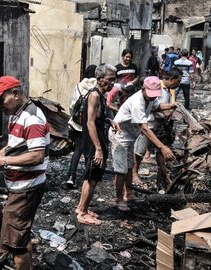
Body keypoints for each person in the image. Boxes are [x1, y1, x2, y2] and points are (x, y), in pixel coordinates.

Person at [0, 75, 49, 270]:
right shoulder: (16, 115)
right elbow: (14, 146)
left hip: (25, 190)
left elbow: (37, 156)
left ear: (16, 93)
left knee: (15, 247)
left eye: (2, 99)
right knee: (20, 237)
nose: (0, 105)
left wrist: (3, 161)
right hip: (20, 187)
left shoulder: (32, 118)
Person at [109, 76, 177, 212]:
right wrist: (162, 147)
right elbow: (145, 128)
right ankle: (119, 199)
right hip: (120, 136)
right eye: (151, 94)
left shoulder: (149, 99)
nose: (152, 98)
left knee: (129, 167)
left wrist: (170, 106)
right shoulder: (137, 101)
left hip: (130, 136)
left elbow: (156, 106)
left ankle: (128, 194)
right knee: (121, 170)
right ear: (143, 89)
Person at [75, 64, 119, 225]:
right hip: (94, 143)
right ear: (100, 79)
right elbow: (90, 122)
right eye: (110, 80)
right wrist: (98, 149)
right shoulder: (94, 95)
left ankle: (81, 207)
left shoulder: (100, 94)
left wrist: (109, 120)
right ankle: (83, 213)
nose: (113, 83)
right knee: (92, 177)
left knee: (90, 175)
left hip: (96, 141)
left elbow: (97, 116)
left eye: (114, 80)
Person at [132, 68, 181, 190]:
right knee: (140, 151)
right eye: (178, 81)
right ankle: (134, 174)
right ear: (171, 79)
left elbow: (156, 106)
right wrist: (168, 113)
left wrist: (170, 107)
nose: (178, 84)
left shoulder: (165, 90)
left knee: (160, 150)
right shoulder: (158, 90)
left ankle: (164, 175)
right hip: (150, 124)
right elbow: (155, 108)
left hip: (158, 125)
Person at [66, 65, 97, 189]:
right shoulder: (96, 89)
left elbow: (72, 104)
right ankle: (87, 179)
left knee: (77, 150)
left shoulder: (79, 86)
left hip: (77, 125)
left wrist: (74, 117)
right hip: (91, 125)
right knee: (90, 152)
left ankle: (71, 177)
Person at [106, 49, 140, 113]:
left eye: (130, 57)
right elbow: (114, 79)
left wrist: (132, 82)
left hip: (130, 89)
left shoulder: (134, 66)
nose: (128, 59)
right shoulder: (117, 67)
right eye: (127, 57)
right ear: (123, 56)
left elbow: (137, 77)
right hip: (120, 89)